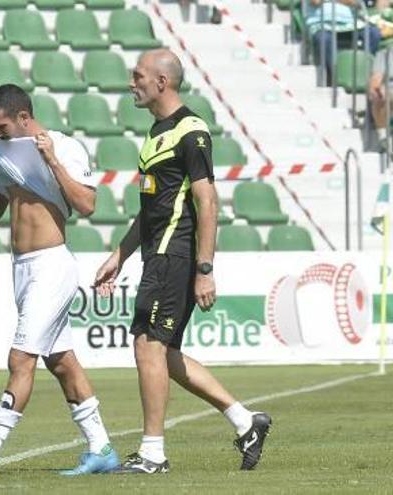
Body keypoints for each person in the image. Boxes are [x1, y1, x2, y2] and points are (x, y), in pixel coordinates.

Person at [93, 49, 272, 474]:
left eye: (137, 76)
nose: (130, 83)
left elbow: (207, 200)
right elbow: (149, 210)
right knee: (162, 351)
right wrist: (119, 254)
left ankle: (153, 453)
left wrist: (205, 269)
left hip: (176, 255)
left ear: (162, 81)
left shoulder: (192, 130)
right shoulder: (157, 133)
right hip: (157, 254)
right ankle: (246, 422)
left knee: (148, 346)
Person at [0, 84, 120, 477]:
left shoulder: (64, 146)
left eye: (2, 126)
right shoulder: (0, 148)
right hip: (22, 267)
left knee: (21, 358)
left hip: (52, 266)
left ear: (23, 117)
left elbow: (87, 205)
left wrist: (52, 161)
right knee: (62, 363)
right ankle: (102, 448)